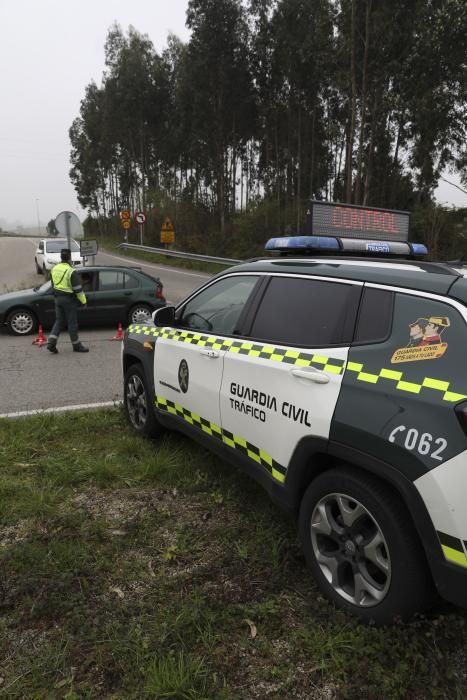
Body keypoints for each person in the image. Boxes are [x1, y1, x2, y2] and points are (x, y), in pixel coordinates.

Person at [46, 249, 89, 354]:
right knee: (72, 323)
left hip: (57, 299)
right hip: (68, 300)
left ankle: (51, 343)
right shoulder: (71, 271)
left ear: (61, 257)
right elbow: (78, 290)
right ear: (70, 258)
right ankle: (76, 345)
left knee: (59, 321)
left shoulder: (54, 268)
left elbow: (53, 285)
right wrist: (83, 302)